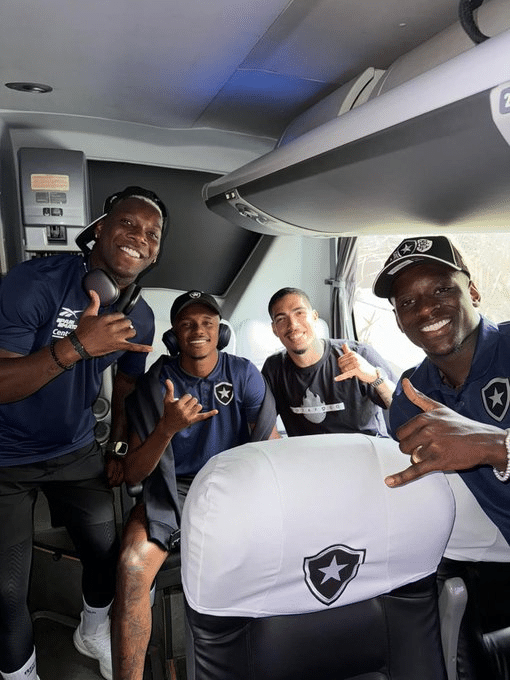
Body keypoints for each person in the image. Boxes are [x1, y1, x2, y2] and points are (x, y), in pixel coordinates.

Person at [0, 186, 167, 680]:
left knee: (105, 556)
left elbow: (125, 389)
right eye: (129, 224)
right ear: (97, 230)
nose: (140, 238)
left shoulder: (139, 315)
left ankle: (92, 631)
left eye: (153, 234)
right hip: (5, 457)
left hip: (74, 451)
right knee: (7, 590)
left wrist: (117, 444)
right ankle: (20, 673)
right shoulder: (33, 283)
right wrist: (75, 346)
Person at [110, 290, 278, 680]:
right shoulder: (157, 382)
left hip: (235, 488)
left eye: (207, 323)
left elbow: (269, 449)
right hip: (174, 490)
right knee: (132, 567)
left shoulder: (243, 374)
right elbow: (134, 472)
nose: (198, 330)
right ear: (175, 334)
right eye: (187, 324)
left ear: (220, 331)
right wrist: (167, 428)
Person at [373, 235, 510, 676]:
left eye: (441, 289)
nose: (426, 309)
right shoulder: (412, 397)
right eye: (407, 302)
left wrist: (495, 445)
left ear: (471, 290)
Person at [261, 287, 396, 437]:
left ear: (314, 316)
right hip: (308, 456)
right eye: (281, 319)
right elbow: (262, 424)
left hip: (363, 450)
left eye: (299, 313)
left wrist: (374, 378)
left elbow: (401, 405)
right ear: (274, 329)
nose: (292, 325)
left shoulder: (358, 353)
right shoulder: (274, 369)